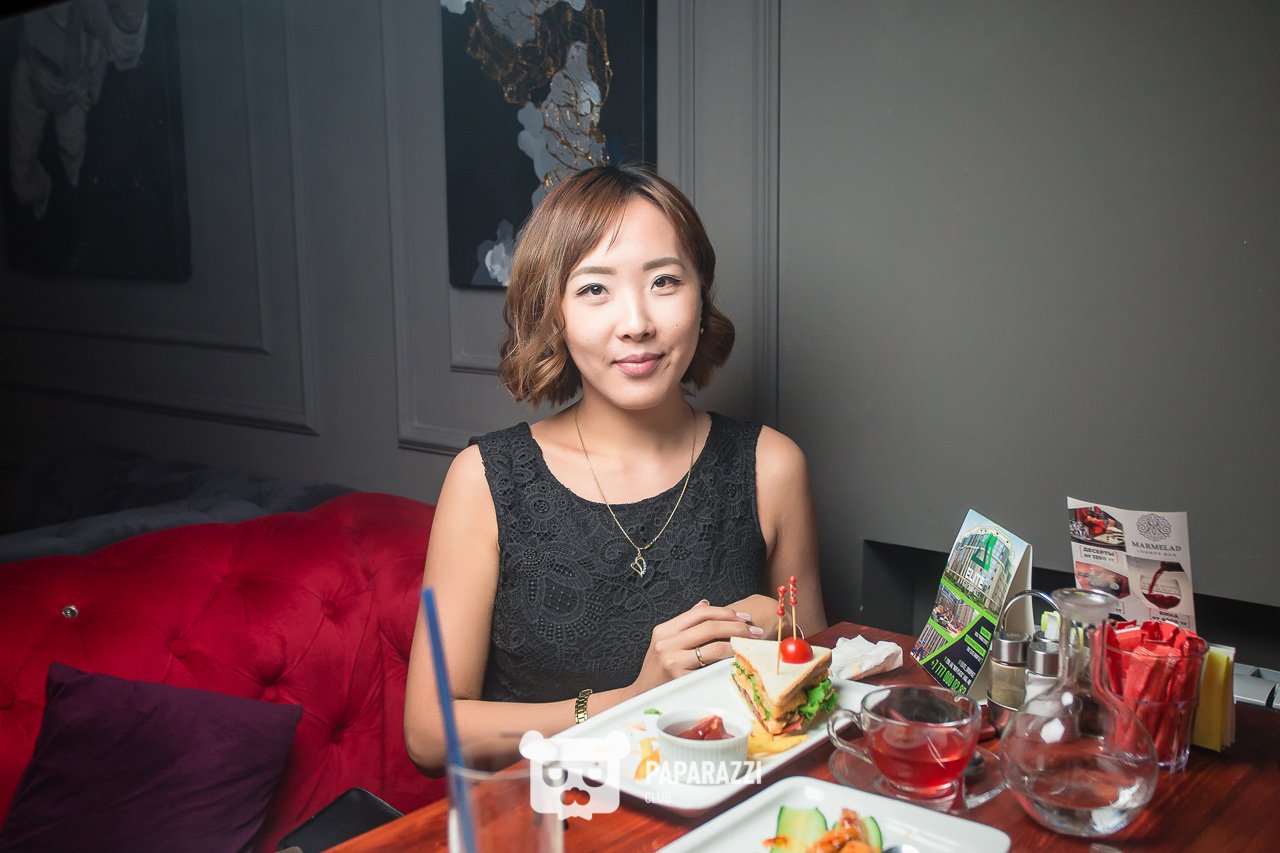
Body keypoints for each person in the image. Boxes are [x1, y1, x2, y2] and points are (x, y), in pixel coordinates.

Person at [404, 163, 826, 774]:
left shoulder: (771, 466)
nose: (636, 324)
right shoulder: (486, 480)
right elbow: (429, 733)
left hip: (719, 803)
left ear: (701, 297)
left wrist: (784, 643)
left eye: (664, 281)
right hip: (549, 812)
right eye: (594, 289)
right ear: (555, 313)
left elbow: (819, 682)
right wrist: (633, 699)